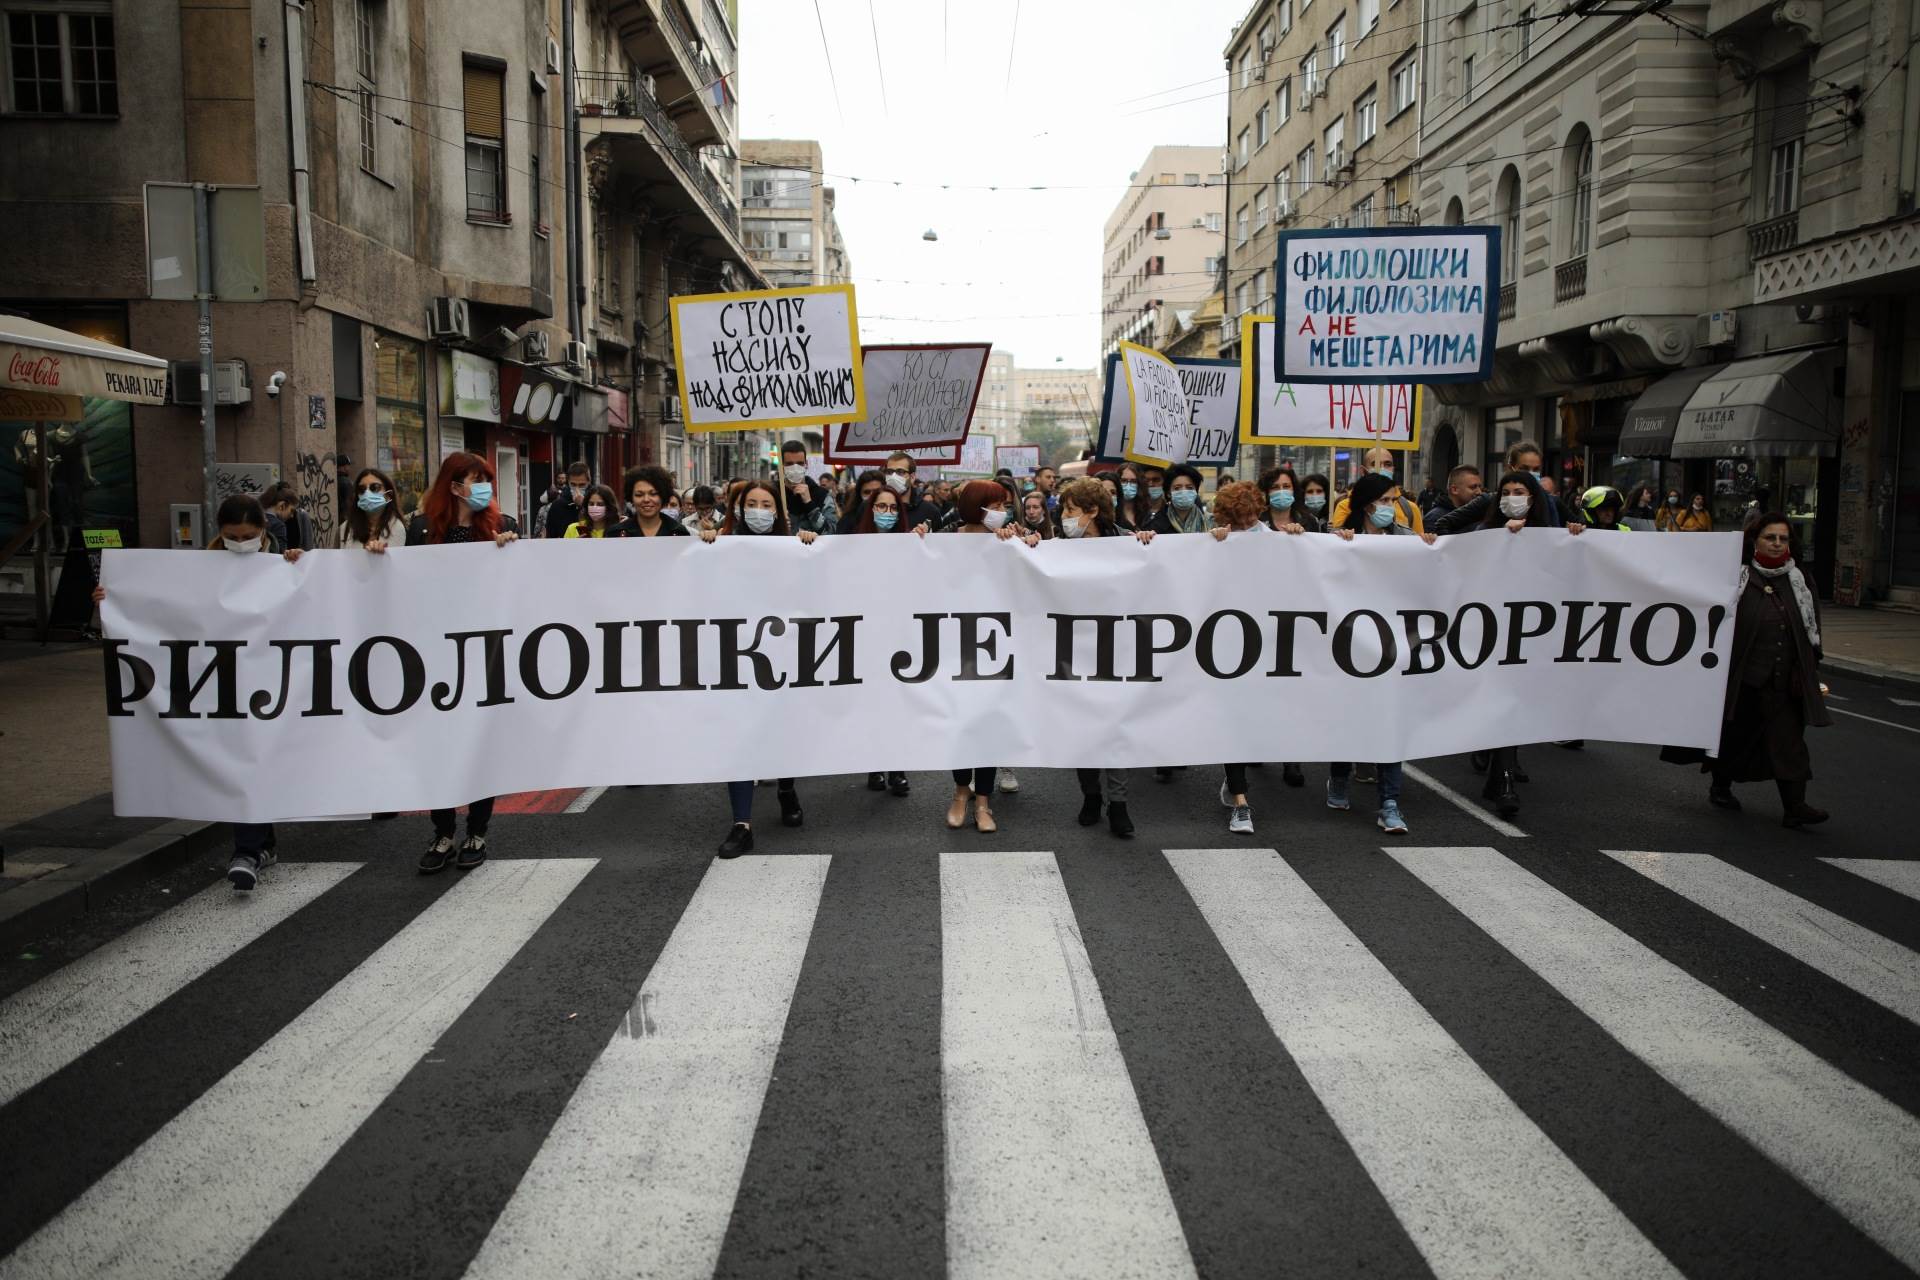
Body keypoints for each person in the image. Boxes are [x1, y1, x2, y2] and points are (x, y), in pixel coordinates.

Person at [92, 494, 303, 889]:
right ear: (218, 534)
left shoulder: (283, 566)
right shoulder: (198, 572)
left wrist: (303, 566)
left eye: (249, 535)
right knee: (245, 761)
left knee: (254, 760)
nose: (241, 543)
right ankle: (255, 847)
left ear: (264, 532)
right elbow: (160, 608)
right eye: (232, 536)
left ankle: (250, 849)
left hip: (269, 683)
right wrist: (112, 602)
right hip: (218, 685)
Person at [1447, 472, 1589, 815]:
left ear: (1533, 497)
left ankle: (1499, 775)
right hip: (1491, 633)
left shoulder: (1550, 536)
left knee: (1514, 701)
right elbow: (1459, 554)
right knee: (1502, 700)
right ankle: (1505, 779)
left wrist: (1573, 538)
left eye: (1520, 492)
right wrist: (1499, 539)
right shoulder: (1485, 533)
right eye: (1506, 492)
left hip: (1532, 635)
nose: (1512, 497)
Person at [406, 452, 519, 873]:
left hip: (485, 654)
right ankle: (442, 831)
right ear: (454, 486)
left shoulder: (501, 527)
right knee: (437, 745)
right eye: (476, 479)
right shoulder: (421, 530)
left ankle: (477, 830)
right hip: (433, 654)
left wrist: (506, 551)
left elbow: (516, 586)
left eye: (487, 479)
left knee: (478, 744)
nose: (484, 487)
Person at [696, 479, 819, 855]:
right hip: (735, 655)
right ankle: (742, 823)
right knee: (739, 736)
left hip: (783, 654)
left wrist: (812, 544)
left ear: (776, 511)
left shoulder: (794, 546)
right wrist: (702, 547)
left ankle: (785, 787)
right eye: (752, 503)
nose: (759, 510)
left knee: (782, 729)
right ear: (738, 508)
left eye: (767, 504)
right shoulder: (718, 544)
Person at [1691, 512, 1830, 827]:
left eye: (1783, 538)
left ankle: (1795, 807)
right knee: (1736, 737)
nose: (1778, 543)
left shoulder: (1800, 580)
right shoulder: (1735, 576)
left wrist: (1809, 664)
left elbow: (1812, 624)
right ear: (1755, 540)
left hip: (1785, 680)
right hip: (1742, 678)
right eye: (1771, 537)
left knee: (1790, 742)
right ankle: (1721, 785)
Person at [1326, 473, 1438, 834]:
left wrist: (1431, 548)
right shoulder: (1341, 538)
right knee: (1349, 718)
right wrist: (1337, 544)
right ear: (1366, 503)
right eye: (1386, 500)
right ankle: (1339, 778)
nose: (1392, 507)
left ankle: (1389, 802)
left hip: (1393, 646)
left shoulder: (1406, 541)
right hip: (1349, 645)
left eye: (1395, 500)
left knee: (1391, 721)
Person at [928, 479, 1040, 831]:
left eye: (1005, 504)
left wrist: (1029, 544)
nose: (1003, 511)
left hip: (997, 649)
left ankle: (984, 803)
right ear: (978, 506)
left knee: (989, 723)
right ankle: (961, 793)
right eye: (997, 504)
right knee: (960, 724)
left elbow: (1035, 571)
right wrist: (917, 536)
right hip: (952, 646)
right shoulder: (945, 537)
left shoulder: (1008, 537)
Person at [1056, 478, 1154, 838]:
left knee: (1114, 729)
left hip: (1118, 650)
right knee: (1084, 729)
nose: (1064, 517)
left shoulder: (1125, 543)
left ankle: (1119, 804)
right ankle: (1091, 795)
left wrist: (1146, 546)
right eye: (1064, 510)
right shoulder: (1057, 548)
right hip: (1073, 651)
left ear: (1093, 511)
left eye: (1071, 510)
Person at [1208, 481, 1305, 831]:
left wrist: (1297, 539)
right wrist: (1214, 543)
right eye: (1237, 520)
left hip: (1271, 646)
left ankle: (1240, 778)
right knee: (1231, 721)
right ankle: (1240, 800)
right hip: (1227, 647)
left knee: (1259, 719)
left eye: (1249, 518)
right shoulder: (1215, 541)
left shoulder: (1279, 540)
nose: (1245, 526)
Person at [1429, 440, 1565, 533]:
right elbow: (1443, 524)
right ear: (1510, 468)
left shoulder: (1551, 502)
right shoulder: (1487, 501)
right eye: (1524, 468)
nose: (1530, 474)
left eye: (1536, 469)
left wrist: (1575, 529)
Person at [1329, 447, 1426, 532]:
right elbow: (1338, 544)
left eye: (1387, 464)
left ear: (1393, 469)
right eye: (1375, 464)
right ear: (1363, 471)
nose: (1382, 469)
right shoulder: (1345, 506)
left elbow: (1418, 546)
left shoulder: (1410, 508)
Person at [339, 467, 409, 550]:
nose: (367, 493)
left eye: (375, 487)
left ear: (388, 495)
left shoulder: (397, 527)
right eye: (362, 489)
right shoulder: (345, 528)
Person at [778, 439, 838, 535]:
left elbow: (832, 531)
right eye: (789, 464)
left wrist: (810, 505)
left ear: (806, 464)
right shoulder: (773, 493)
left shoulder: (822, 495)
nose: (795, 468)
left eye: (800, 463)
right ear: (781, 466)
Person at [611, 467, 688, 538]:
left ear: (663, 496)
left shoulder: (679, 532)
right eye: (639, 495)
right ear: (631, 498)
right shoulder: (615, 533)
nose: (646, 499)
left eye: (653, 494)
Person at [1148, 463, 1209, 535]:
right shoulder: (1154, 526)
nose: (1183, 491)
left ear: (1196, 491)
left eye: (1189, 488)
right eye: (1177, 488)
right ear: (1168, 493)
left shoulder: (1209, 522)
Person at [1257, 465, 1315, 537]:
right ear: (1267, 492)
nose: (1281, 491)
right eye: (1275, 487)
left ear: (1294, 489)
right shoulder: (1257, 520)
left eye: (1286, 486)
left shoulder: (1309, 521)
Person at [539, 461, 592, 538]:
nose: (577, 489)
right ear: (568, 482)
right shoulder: (557, 506)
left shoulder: (596, 503)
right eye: (573, 484)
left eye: (582, 485)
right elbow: (551, 537)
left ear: (588, 482)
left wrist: (583, 506)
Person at [262, 482, 317, 552]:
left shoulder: (257, 519)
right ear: (282, 506)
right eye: (291, 511)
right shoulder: (278, 525)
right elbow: (279, 556)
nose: (292, 516)